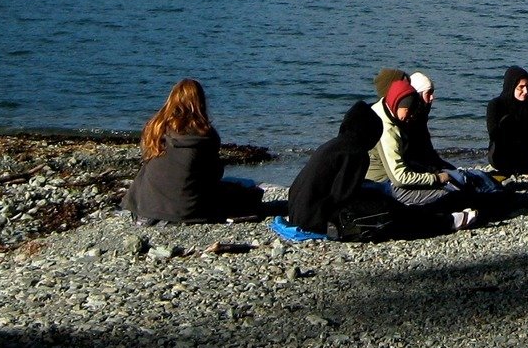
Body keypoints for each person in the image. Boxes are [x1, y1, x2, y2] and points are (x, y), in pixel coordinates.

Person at [123, 79, 264, 225]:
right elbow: (214, 174)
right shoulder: (206, 134)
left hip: (145, 208)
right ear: (200, 102)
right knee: (248, 188)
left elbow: (146, 158)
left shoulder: (154, 128)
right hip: (188, 209)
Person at [370, 78, 481, 231]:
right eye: (408, 112)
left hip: (386, 179)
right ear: (399, 105)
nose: (409, 118)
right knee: (447, 195)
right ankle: (449, 217)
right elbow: (399, 178)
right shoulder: (388, 130)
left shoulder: (388, 113)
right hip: (382, 184)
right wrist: (434, 178)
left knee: (458, 185)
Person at [286, 98, 390, 235]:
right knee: (385, 208)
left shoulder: (332, 145)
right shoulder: (356, 153)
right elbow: (343, 196)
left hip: (297, 213)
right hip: (314, 220)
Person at [486, 65, 528, 175]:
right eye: (521, 87)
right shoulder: (496, 105)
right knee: (507, 122)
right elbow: (493, 133)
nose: (525, 91)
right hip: (501, 154)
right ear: (511, 86)